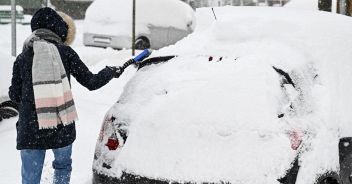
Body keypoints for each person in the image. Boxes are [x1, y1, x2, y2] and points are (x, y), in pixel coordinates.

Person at [9, 7, 124, 184]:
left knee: (30, 178)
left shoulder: (23, 57)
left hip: (30, 129)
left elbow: (15, 95)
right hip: (61, 126)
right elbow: (91, 82)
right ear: (58, 29)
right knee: (62, 167)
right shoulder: (65, 53)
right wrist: (109, 72)